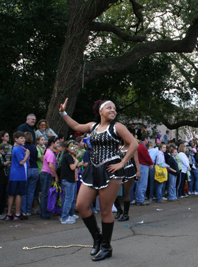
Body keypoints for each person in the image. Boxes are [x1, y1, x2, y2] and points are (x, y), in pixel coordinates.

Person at [59, 98, 138, 261]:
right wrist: (63, 113)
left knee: (104, 210)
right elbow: (75, 126)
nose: (113, 110)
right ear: (100, 111)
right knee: (81, 205)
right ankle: (97, 238)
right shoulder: (92, 126)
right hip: (92, 169)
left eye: (115, 108)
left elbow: (133, 144)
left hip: (111, 171)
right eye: (109, 107)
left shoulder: (117, 127)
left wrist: (122, 163)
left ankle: (107, 247)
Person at [5, 131, 30, 221]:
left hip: (14, 174)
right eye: (21, 138)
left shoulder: (17, 148)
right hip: (19, 174)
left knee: (12, 194)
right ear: (16, 139)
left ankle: (9, 214)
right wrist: (27, 155)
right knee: (18, 194)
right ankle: (17, 214)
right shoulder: (18, 149)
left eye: (24, 138)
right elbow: (21, 162)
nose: (23, 139)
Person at [114, 140, 140, 221]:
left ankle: (126, 214)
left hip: (129, 170)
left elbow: (136, 160)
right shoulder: (120, 148)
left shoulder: (132, 148)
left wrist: (138, 171)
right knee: (113, 192)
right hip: (120, 170)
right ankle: (119, 209)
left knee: (126, 192)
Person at [59, 141, 79, 224]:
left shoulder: (70, 156)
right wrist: (77, 162)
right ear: (67, 148)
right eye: (72, 147)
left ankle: (69, 214)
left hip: (70, 180)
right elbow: (72, 167)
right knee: (68, 198)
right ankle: (64, 217)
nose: (75, 149)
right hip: (68, 180)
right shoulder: (67, 156)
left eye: (76, 147)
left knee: (69, 198)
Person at [39, 136, 58, 220]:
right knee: (45, 194)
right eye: (56, 143)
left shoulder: (48, 151)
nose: (57, 145)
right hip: (47, 174)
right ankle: (44, 213)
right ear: (52, 143)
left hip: (45, 173)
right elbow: (50, 165)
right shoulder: (50, 153)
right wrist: (55, 175)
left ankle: (44, 212)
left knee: (44, 193)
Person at [21, 132, 39, 217]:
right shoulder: (34, 147)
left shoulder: (22, 147)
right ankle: (29, 209)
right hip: (35, 169)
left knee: (24, 190)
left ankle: (23, 210)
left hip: (26, 169)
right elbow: (36, 157)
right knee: (31, 191)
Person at [136, 134, 153, 206]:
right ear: (145, 139)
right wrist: (151, 163)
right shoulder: (142, 147)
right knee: (142, 183)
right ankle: (140, 199)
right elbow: (147, 156)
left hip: (141, 165)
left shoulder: (139, 146)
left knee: (140, 183)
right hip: (143, 165)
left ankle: (139, 198)